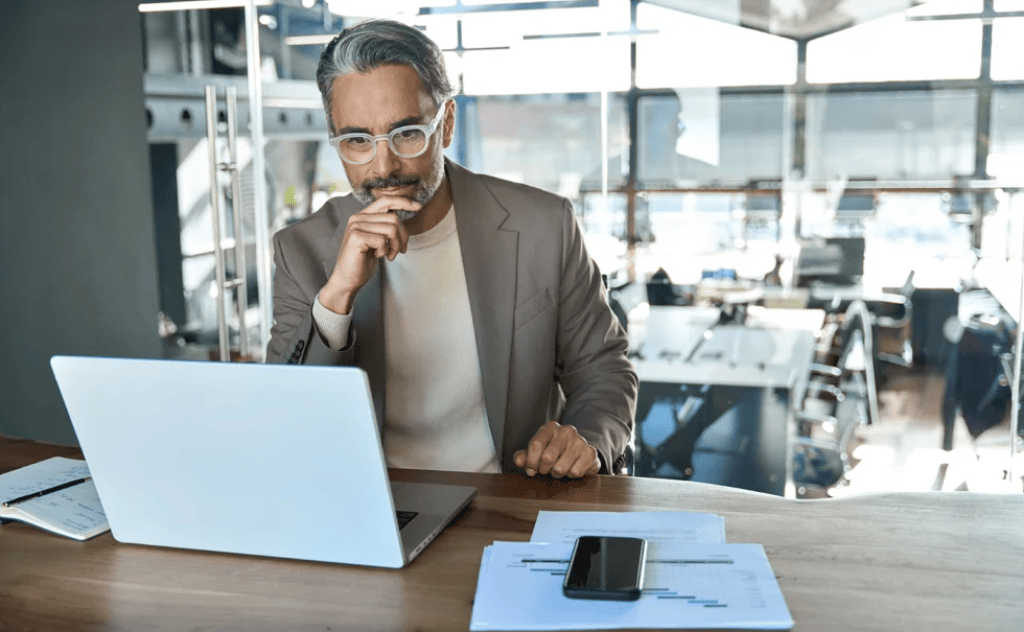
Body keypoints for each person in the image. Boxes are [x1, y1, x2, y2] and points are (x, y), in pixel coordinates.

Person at [265, 19, 637, 479]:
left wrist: (586, 441)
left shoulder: (545, 226)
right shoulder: (300, 249)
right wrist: (337, 296)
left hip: (516, 500)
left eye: (406, 133)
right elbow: (287, 421)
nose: (384, 166)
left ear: (446, 124)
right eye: (357, 140)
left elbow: (604, 371)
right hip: (379, 510)